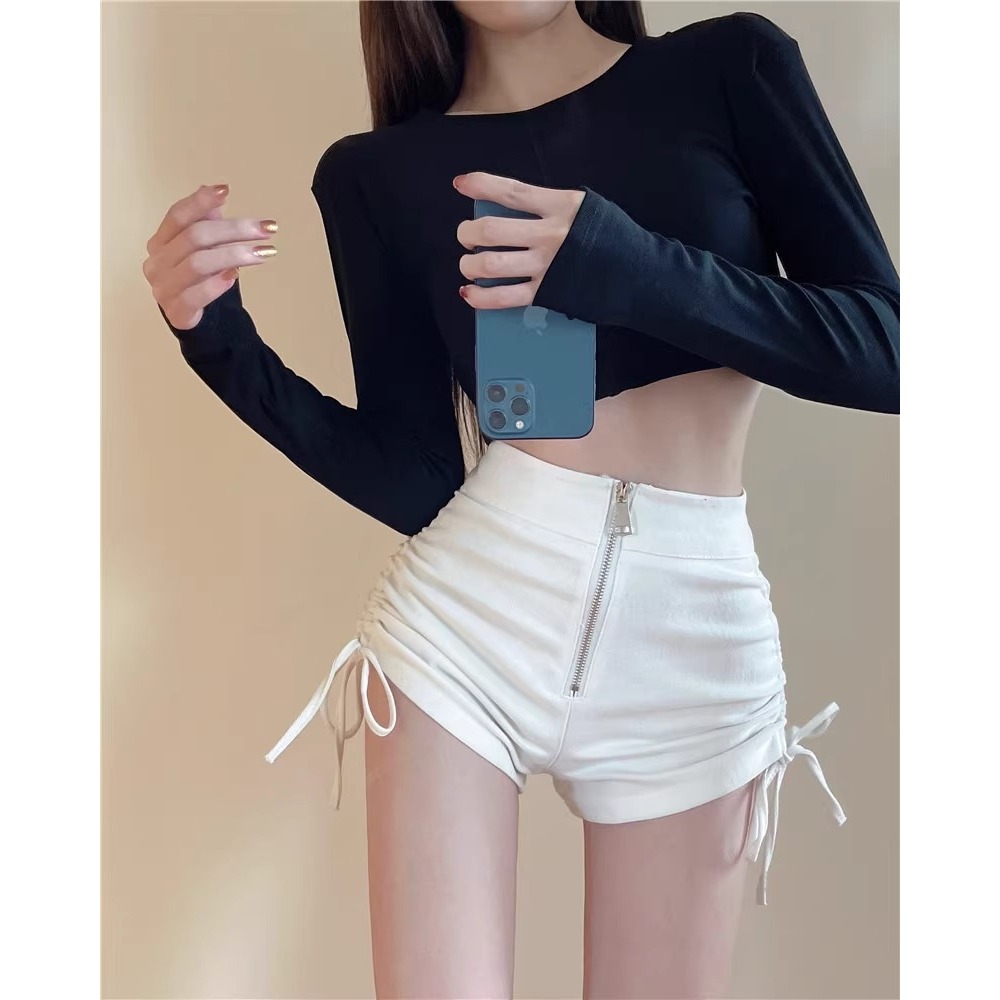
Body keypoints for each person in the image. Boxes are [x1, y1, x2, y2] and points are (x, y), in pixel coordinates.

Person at [141, 2, 898, 997]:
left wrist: (632, 266)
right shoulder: (379, 173)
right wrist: (219, 343)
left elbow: (887, 350)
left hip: (697, 638)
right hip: (468, 634)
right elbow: (416, 478)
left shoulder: (730, 68)